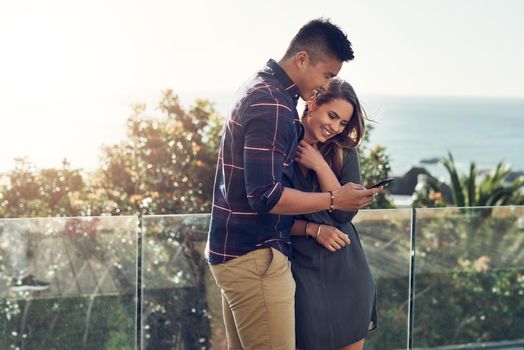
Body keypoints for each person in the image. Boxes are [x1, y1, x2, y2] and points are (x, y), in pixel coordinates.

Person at [206, 19, 382, 350]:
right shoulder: (273, 103)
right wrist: (331, 201)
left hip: (246, 252)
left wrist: (327, 186)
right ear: (302, 59)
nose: (326, 84)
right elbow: (267, 196)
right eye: (327, 75)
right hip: (256, 255)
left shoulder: (263, 92)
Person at [290, 78, 376, 350]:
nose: (335, 127)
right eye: (332, 115)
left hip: (348, 271)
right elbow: (269, 213)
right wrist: (313, 229)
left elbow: (343, 216)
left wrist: (319, 166)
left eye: (342, 123)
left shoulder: (343, 152)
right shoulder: (280, 147)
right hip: (302, 273)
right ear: (312, 104)